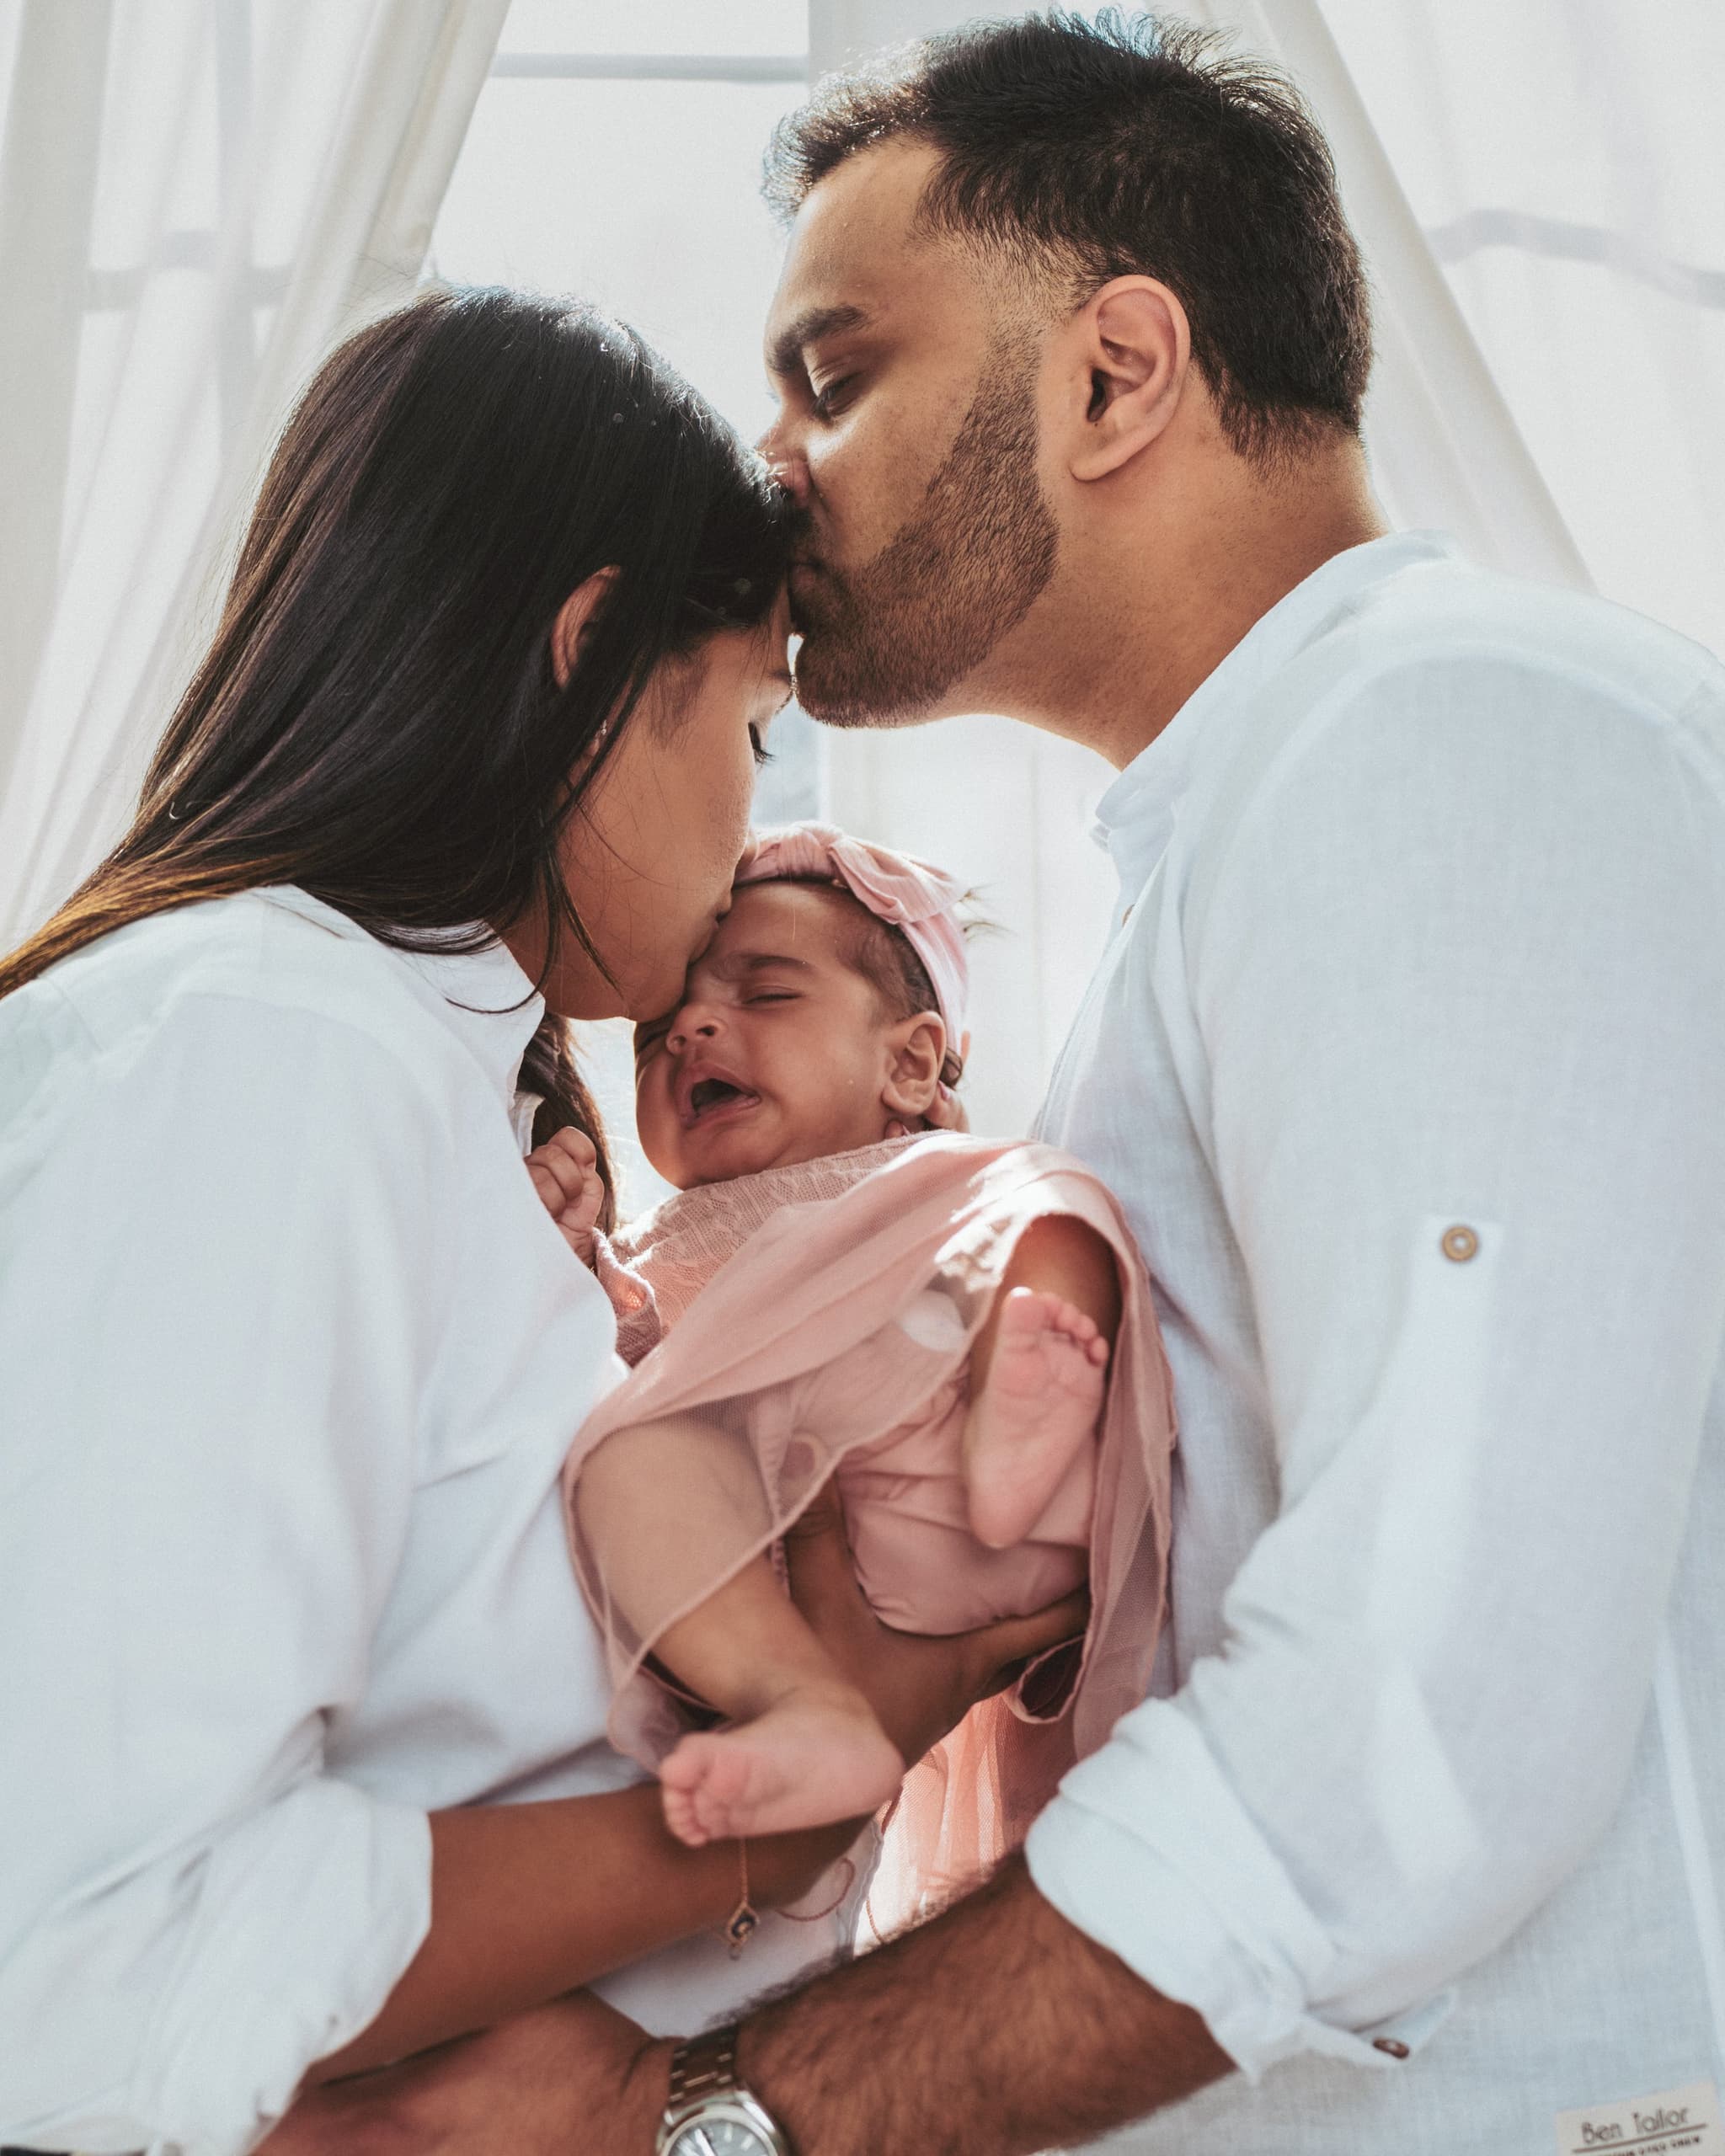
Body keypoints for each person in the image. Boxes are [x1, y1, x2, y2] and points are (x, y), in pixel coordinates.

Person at [266, 14, 1725, 2156]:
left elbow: (1421, 1736)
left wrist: (704, 2121)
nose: (770, 467)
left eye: (833, 374)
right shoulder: (1229, 850)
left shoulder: (1441, 741)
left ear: (1113, 373)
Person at [0, 287, 1081, 2155]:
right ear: (589, 652)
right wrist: (787, 1810)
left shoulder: (430, 1085)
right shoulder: (262, 1045)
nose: (750, 812)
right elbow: (95, 1945)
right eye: (750, 721)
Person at [529, 822, 1173, 1869]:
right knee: (628, 1458)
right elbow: (628, 1365)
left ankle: (1030, 1394)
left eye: (765, 994)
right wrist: (569, 1268)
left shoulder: (924, 1177)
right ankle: (797, 1704)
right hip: (811, 1571)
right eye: (654, 1036)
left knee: (1050, 1200)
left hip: (952, 1436)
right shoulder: (663, 1239)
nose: (690, 1026)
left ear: (912, 1063)